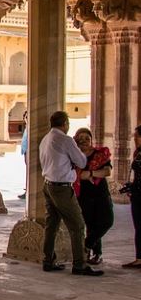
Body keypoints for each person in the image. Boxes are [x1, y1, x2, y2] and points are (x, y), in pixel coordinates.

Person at [39, 111, 101, 276]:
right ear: (65, 123)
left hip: (48, 185)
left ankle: (48, 260)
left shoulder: (45, 139)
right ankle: (79, 264)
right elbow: (81, 161)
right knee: (77, 225)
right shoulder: (65, 140)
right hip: (62, 188)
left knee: (51, 225)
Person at [72, 128, 113, 265]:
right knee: (91, 225)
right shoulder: (74, 157)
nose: (84, 141)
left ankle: (86, 245)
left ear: (91, 139)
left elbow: (106, 171)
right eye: (80, 138)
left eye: (86, 138)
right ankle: (96, 254)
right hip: (84, 196)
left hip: (101, 194)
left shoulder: (99, 154)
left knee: (107, 221)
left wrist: (90, 174)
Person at [122, 125, 141, 269]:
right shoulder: (138, 153)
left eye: (137, 136)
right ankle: (139, 257)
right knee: (138, 227)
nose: (135, 139)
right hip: (137, 194)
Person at [19, 111, 29, 200]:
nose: (27, 119)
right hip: (26, 152)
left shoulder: (31, 128)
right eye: (26, 117)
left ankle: (28, 191)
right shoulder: (27, 128)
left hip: (30, 152)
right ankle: (27, 191)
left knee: (30, 173)